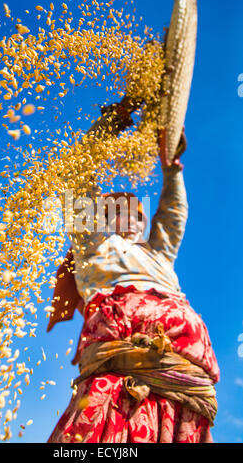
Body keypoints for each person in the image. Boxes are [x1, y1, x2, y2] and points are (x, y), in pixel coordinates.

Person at [46, 101, 220, 443]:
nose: (132, 217)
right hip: (118, 361)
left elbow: (173, 215)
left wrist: (171, 168)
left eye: (137, 212)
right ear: (104, 217)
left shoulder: (157, 255)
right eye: (119, 209)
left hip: (182, 363)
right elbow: (78, 183)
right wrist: (108, 127)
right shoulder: (93, 247)